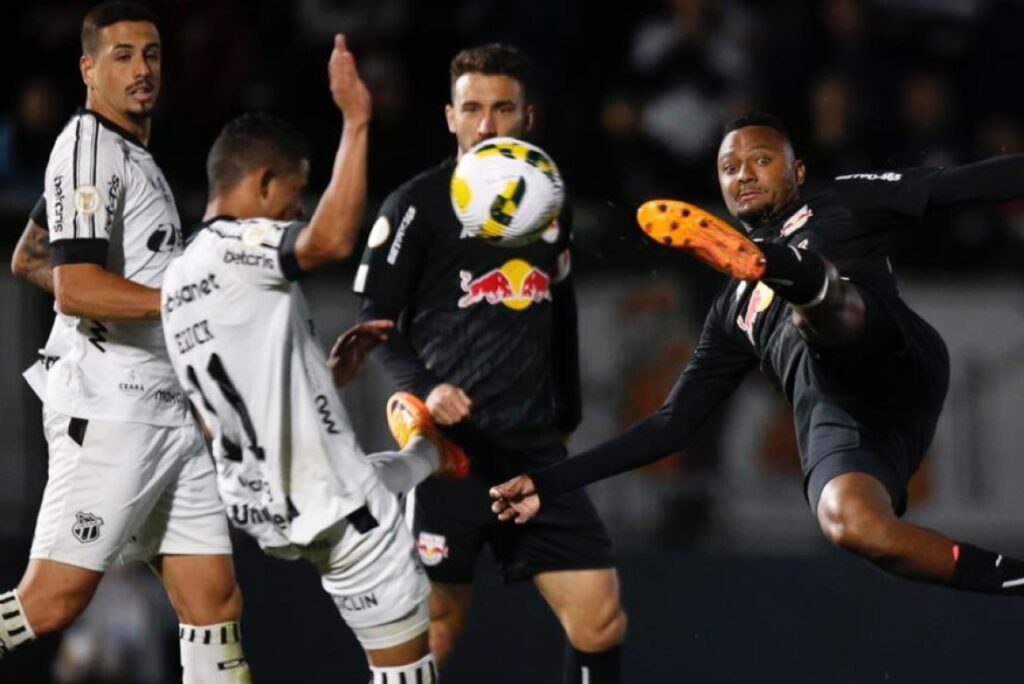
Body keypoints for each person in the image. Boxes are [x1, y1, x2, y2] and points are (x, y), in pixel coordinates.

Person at [492, 112, 1024, 597]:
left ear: (797, 170)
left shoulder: (840, 201)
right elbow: (672, 425)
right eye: (729, 167)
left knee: (818, 309)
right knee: (851, 525)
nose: (743, 174)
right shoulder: (730, 313)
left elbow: (965, 185)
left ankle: (797, 274)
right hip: (841, 419)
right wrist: (551, 482)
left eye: (761, 160)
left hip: (895, 359)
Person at [161, 36, 466, 684]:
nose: (297, 210)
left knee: (355, 473)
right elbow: (330, 239)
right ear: (262, 182)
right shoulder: (240, 246)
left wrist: (326, 378)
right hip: (343, 518)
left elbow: (227, 406)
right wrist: (356, 121)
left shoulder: (179, 279)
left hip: (267, 511)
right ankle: (433, 452)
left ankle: (431, 452)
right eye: (295, 193)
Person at [353, 43, 627, 683]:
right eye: (472, 108)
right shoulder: (417, 206)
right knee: (437, 631)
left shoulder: (547, 205)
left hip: (533, 455)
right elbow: (374, 324)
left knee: (600, 619)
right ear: (450, 116)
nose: (486, 124)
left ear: (528, 117)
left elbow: (561, 307)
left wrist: (569, 410)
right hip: (451, 456)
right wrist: (427, 389)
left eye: (502, 108)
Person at [0, 4, 250, 681]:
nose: (142, 69)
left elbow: (29, 258)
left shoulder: (123, 154)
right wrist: (184, 303)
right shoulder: (87, 148)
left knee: (215, 602)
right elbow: (77, 288)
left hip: (166, 414)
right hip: (114, 414)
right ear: (88, 68)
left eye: (153, 54)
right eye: (122, 56)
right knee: (49, 605)